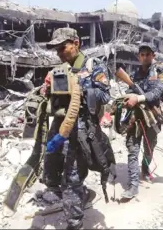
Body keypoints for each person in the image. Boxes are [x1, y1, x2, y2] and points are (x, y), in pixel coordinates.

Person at [40, 27, 113, 230]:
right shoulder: (59, 70)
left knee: (71, 178)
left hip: (80, 132)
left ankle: (75, 223)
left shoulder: (93, 66)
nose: (60, 53)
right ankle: (79, 193)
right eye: (57, 50)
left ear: (76, 43)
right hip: (60, 128)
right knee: (51, 171)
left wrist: (79, 87)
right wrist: (46, 88)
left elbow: (105, 96)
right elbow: (53, 98)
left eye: (63, 47)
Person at [120, 43, 163, 199]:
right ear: (139, 57)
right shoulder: (135, 74)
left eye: (148, 54)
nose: (145, 57)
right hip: (137, 115)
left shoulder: (160, 72)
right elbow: (128, 89)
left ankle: (145, 169)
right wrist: (127, 96)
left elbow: (156, 92)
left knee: (149, 148)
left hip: (153, 115)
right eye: (142, 54)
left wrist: (138, 97)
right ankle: (133, 186)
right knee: (132, 149)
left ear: (153, 55)